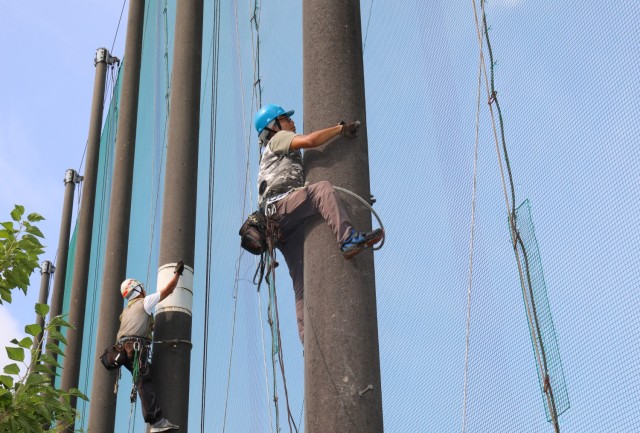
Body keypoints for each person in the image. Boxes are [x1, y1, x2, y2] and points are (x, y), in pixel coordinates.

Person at [254, 104, 384, 344]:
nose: (292, 123)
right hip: (281, 208)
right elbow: (312, 140)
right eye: (285, 119)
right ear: (273, 127)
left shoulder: (272, 153)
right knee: (321, 190)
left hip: (278, 225)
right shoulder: (279, 139)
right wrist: (339, 129)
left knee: (301, 281)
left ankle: (307, 341)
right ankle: (348, 239)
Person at [116, 261, 184, 432]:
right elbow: (168, 291)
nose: (144, 290)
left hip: (123, 351)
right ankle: (156, 421)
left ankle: (154, 420)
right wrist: (177, 274)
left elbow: (135, 327)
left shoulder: (126, 311)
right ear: (137, 290)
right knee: (144, 383)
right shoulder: (144, 302)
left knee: (144, 379)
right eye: (141, 287)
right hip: (136, 348)